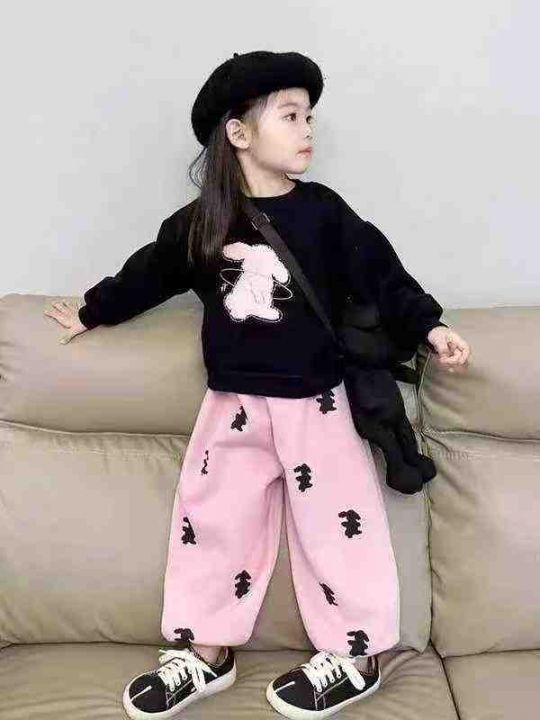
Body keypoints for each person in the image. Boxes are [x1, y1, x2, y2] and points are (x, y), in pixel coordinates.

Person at [44, 50, 470, 720]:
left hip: (318, 405)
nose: (308, 129)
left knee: (338, 528)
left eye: (310, 116)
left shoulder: (324, 213)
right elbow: (147, 273)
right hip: (233, 404)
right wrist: (93, 311)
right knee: (212, 522)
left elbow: (382, 274)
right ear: (239, 133)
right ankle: (205, 653)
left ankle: (355, 656)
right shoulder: (201, 224)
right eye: (290, 116)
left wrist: (430, 326)